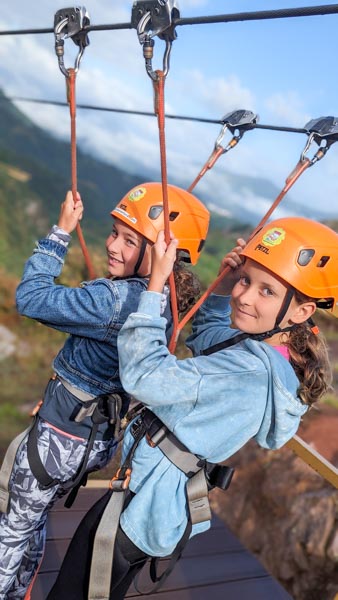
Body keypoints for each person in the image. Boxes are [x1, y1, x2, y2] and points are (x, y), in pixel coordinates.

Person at [47, 216, 337, 600]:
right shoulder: (267, 357)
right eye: (247, 280)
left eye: (267, 291)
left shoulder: (247, 369)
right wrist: (226, 284)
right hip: (155, 501)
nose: (245, 297)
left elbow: (145, 376)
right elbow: (206, 336)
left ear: (301, 312)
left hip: (140, 505)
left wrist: (154, 288)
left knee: (74, 589)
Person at [0, 182, 210, 600]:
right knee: (34, 517)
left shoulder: (111, 300)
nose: (112, 245)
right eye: (114, 233)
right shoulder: (164, 304)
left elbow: (29, 297)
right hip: (95, 440)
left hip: (60, 438)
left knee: (13, 524)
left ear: (159, 255)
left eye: (129, 240)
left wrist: (60, 232)